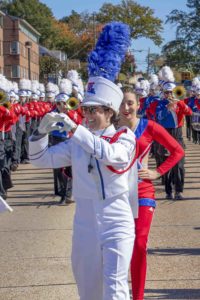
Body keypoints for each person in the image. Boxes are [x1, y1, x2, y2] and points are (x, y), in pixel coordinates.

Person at [29, 22, 138, 300]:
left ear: (110, 112)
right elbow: (40, 159)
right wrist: (40, 132)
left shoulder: (124, 136)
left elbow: (112, 156)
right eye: (86, 110)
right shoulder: (78, 141)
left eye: (94, 110)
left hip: (116, 219)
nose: (87, 115)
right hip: (84, 221)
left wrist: (75, 130)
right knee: (89, 290)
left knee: (115, 289)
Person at [119, 86, 185, 300]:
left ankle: (137, 296)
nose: (126, 107)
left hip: (142, 190)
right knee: (115, 247)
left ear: (139, 105)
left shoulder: (149, 126)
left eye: (130, 103)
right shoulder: (110, 129)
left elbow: (177, 150)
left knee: (139, 244)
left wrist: (158, 172)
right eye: (121, 103)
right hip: (116, 195)